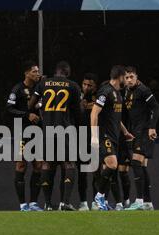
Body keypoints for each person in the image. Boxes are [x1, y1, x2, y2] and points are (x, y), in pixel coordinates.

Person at [28, 61, 81, 211]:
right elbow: (79, 113)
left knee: (47, 164)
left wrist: (40, 107)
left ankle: (48, 204)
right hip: (65, 130)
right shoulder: (73, 86)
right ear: (67, 73)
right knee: (69, 164)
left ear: (55, 71)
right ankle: (65, 203)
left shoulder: (43, 83)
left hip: (47, 130)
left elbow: (31, 104)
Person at [90, 65, 133, 211]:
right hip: (104, 135)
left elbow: (116, 117)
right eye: (125, 77)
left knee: (107, 169)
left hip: (114, 136)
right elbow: (94, 113)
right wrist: (94, 137)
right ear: (120, 76)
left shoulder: (118, 94)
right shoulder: (106, 91)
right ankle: (98, 196)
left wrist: (125, 131)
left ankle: (101, 200)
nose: (127, 80)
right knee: (113, 164)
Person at [6, 61, 43, 211]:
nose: (37, 74)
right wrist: (27, 115)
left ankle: (33, 203)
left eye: (38, 71)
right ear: (27, 73)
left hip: (37, 132)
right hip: (22, 132)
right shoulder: (18, 89)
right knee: (21, 165)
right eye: (34, 71)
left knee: (38, 165)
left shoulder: (40, 88)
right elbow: (9, 108)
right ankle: (22, 204)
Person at [123, 66, 159, 210]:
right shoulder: (127, 91)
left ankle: (139, 201)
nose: (129, 80)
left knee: (136, 163)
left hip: (145, 131)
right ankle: (148, 202)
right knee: (142, 167)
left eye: (131, 76)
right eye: (126, 77)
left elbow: (156, 108)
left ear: (136, 77)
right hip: (136, 132)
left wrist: (152, 127)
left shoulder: (143, 90)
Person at [78, 73, 99, 211]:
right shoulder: (77, 95)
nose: (86, 87)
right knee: (82, 172)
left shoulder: (99, 97)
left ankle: (97, 201)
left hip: (95, 137)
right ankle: (83, 202)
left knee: (96, 171)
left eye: (89, 85)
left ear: (94, 86)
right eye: (84, 84)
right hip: (80, 136)